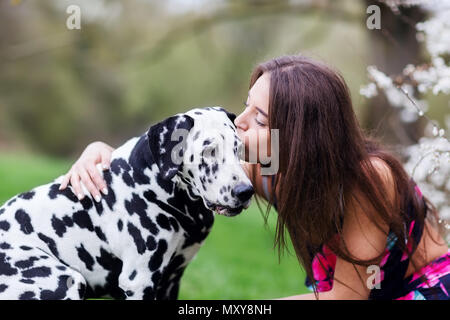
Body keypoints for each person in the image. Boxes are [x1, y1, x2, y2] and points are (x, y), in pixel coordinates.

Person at [59, 54, 450, 300]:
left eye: (258, 118)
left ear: (299, 136)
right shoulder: (268, 164)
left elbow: (347, 297)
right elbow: (171, 157)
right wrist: (102, 152)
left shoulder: (368, 177)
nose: (238, 122)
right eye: (246, 108)